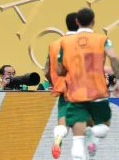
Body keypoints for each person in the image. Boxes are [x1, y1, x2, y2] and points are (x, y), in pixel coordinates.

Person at [57, 8, 119, 160]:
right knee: (104, 128)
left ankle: (85, 138)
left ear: (76, 22)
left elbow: (59, 70)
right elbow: (113, 57)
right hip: (98, 92)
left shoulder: (65, 42)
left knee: (77, 139)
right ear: (93, 22)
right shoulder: (102, 39)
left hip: (76, 93)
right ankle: (93, 133)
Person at [44, 12, 78, 159]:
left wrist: (54, 83)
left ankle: (57, 140)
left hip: (64, 92)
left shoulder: (54, 45)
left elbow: (46, 71)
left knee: (62, 126)